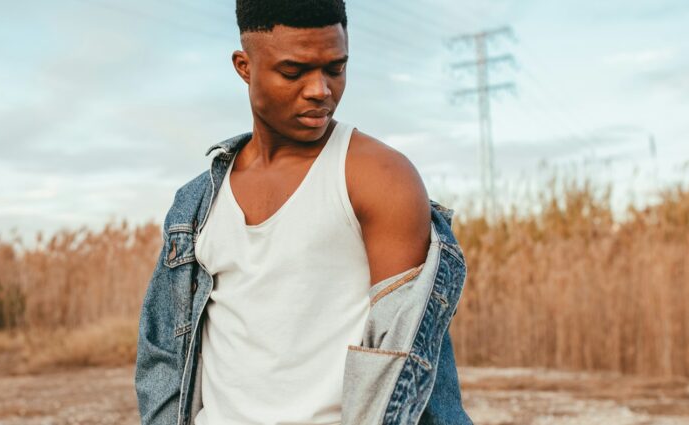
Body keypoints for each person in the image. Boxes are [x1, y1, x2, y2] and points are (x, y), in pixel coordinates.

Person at [135, 1, 472, 424]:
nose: (320, 90)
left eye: (335, 68)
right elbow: (165, 358)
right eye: (293, 72)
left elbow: (411, 360)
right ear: (244, 66)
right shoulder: (197, 203)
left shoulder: (378, 177)